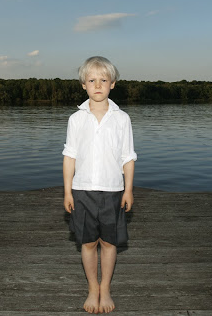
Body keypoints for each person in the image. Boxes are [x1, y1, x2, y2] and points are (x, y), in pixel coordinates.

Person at [62, 56, 137, 314]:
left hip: (113, 191)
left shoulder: (122, 119)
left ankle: (105, 288)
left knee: (109, 243)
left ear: (112, 84)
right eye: (92, 80)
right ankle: (92, 287)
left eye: (103, 80)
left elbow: (128, 157)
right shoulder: (76, 119)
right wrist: (67, 192)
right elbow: (69, 157)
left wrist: (128, 190)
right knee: (87, 243)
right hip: (82, 191)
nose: (97, 85)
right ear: (83, 84)